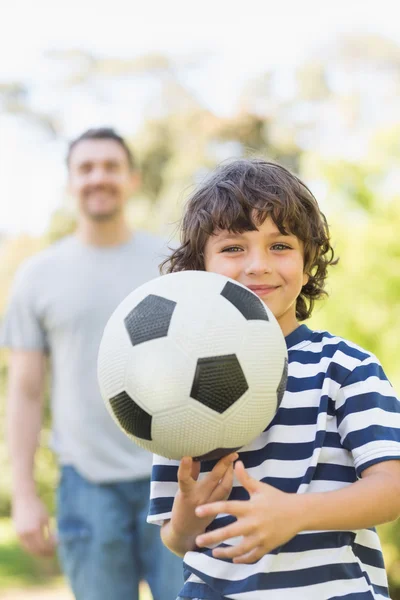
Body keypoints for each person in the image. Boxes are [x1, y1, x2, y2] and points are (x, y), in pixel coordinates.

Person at [148, 158, 400, 600]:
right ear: (199, 269)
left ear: (307, 265)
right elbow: (176, 539)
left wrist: (296, 513)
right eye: (233, 248)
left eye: (280, 245)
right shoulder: (175, 380)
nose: (258, 265)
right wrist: (189, 513)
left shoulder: (345, 366)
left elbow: (392, 487)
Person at [1, 127, 183, 600]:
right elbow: (24, 390)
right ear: (69, 183)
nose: (97, 177)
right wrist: (23, 493)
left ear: (132, 179)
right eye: (86, 168)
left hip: (175, 478)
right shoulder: (38, 275)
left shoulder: (172, 264)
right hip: (86, 486)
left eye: (110, 166)